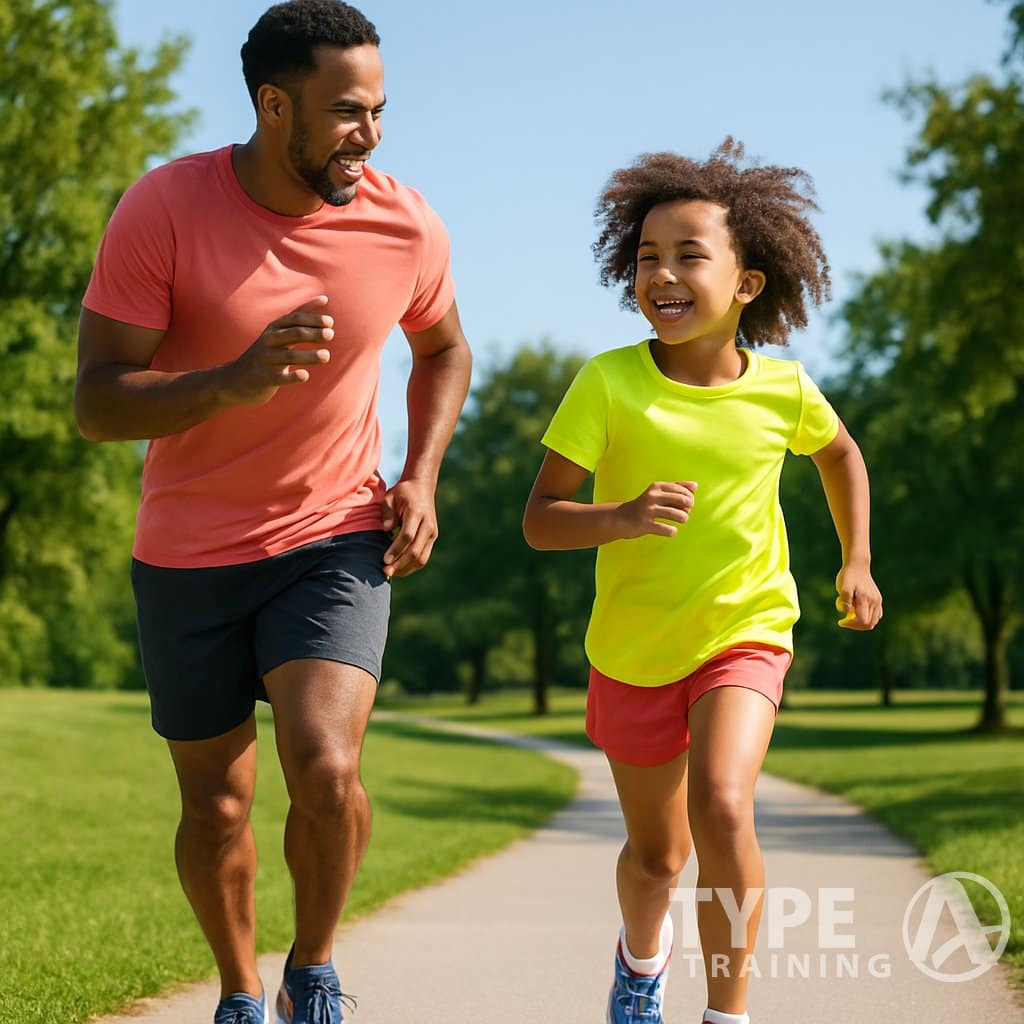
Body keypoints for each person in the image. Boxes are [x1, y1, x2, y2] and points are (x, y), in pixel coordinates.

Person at [75, 2, 471, 1022]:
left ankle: (315, 967)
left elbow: (444, 348)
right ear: (271, 103)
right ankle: (241, 992)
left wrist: (421, 471)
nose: (370, 134)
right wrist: (227, 382)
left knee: (327, 766)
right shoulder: (163, 208)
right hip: (188, 550)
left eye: (380, 110)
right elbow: (97, 400)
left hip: (334, 536)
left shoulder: (403, 222)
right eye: (347, 112)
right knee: (214, 806)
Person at [523, 141, 882, 1024]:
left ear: (748, 284)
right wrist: (619, 516)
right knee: (657, 856)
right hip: (635, 648)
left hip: (745, 629)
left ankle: (729, 1014)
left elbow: (840, 454)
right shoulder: (608, 383)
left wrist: (856, 559)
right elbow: (539, 520)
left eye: (689, 256)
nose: (663, 274)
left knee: (724, 804)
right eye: (648, 258)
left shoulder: (785, 390)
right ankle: (641, 966)